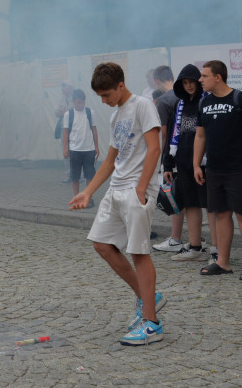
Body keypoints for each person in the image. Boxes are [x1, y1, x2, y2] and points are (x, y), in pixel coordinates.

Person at [69, 62, 164, 346]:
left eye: (106, 94)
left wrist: (142, 186)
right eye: (99, 96)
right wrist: (88, 192)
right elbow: (110, 160)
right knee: (101, 244)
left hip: (137, 189)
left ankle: (152, 324)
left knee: (139, 252)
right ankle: (149, 298)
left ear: (121, 85)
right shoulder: (115, 117)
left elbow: (155, 147)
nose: (103, 100)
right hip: (116, 188)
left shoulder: (143, 105)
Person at [193, 59, 242, 280]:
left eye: (204, 76)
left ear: (218, 77)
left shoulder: (241, 100)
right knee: (221, 214)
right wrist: (196, 164)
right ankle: (222, 262)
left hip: (240, 168)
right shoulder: (203, 103)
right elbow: (200, 135)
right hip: (215, 169)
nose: (200, 80)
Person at [163, 65, 217, 263]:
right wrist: (167, 164)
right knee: (191, 204)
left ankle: (216, 250)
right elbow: (171, 135)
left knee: (211, 206)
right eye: (185, 83)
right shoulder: (180, 105)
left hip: (204, 163)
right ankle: (195, 246)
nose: (189, 86)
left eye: (191, 82)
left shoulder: (208, 102)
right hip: (183, 162)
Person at [150, 65, 188, 253]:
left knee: (173, 196)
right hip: (189, 153)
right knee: (189, 198)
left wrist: (162, 159)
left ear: (156, 80)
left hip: (173, 156)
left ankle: (175, 239)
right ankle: (195, 237)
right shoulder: (185, 95)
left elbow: (163, 134)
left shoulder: (164, 100)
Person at [61, 89, 99, 201]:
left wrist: (96, 146)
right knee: (75, 176)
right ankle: (77, 196)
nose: (81, 105)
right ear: (73, 101)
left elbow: (94, 129)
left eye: (82, 102)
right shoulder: (69, 114)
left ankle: (88, 196)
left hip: (89, 149)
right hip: (74, 150)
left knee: (89, 175)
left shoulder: (90, 112)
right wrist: (65, 148)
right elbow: (65, 131)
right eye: (78, 102)